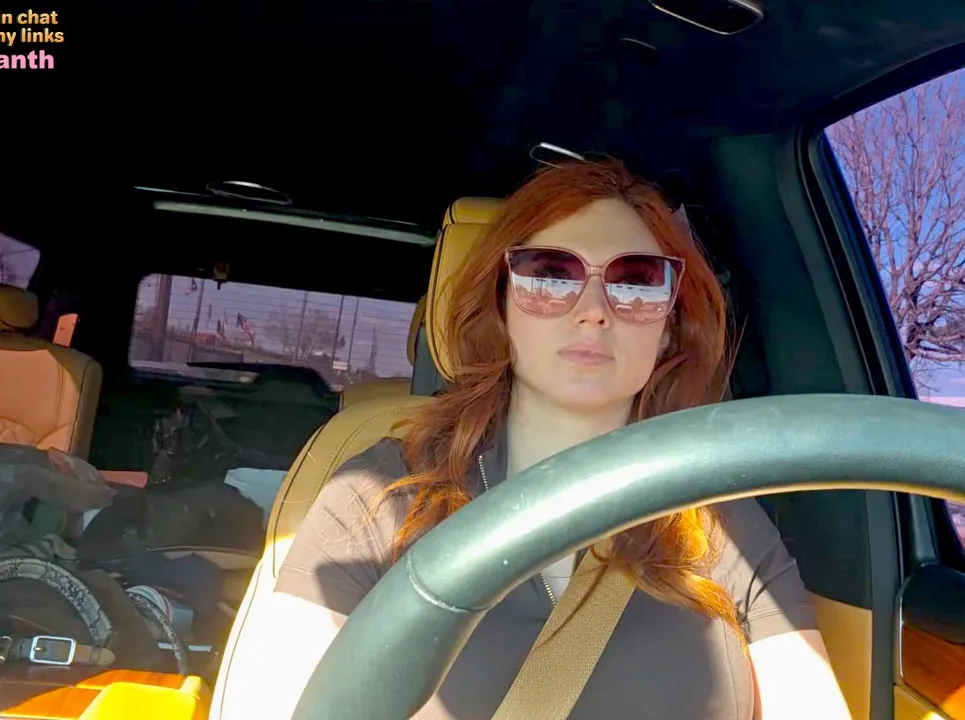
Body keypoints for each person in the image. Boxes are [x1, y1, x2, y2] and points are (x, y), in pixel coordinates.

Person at [260, 159, 852, 719]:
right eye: (548, 274)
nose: (593, 310)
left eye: (637, 283)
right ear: (501, 305)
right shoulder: (376, 498)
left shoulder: (721, 525)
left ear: (671, 327)